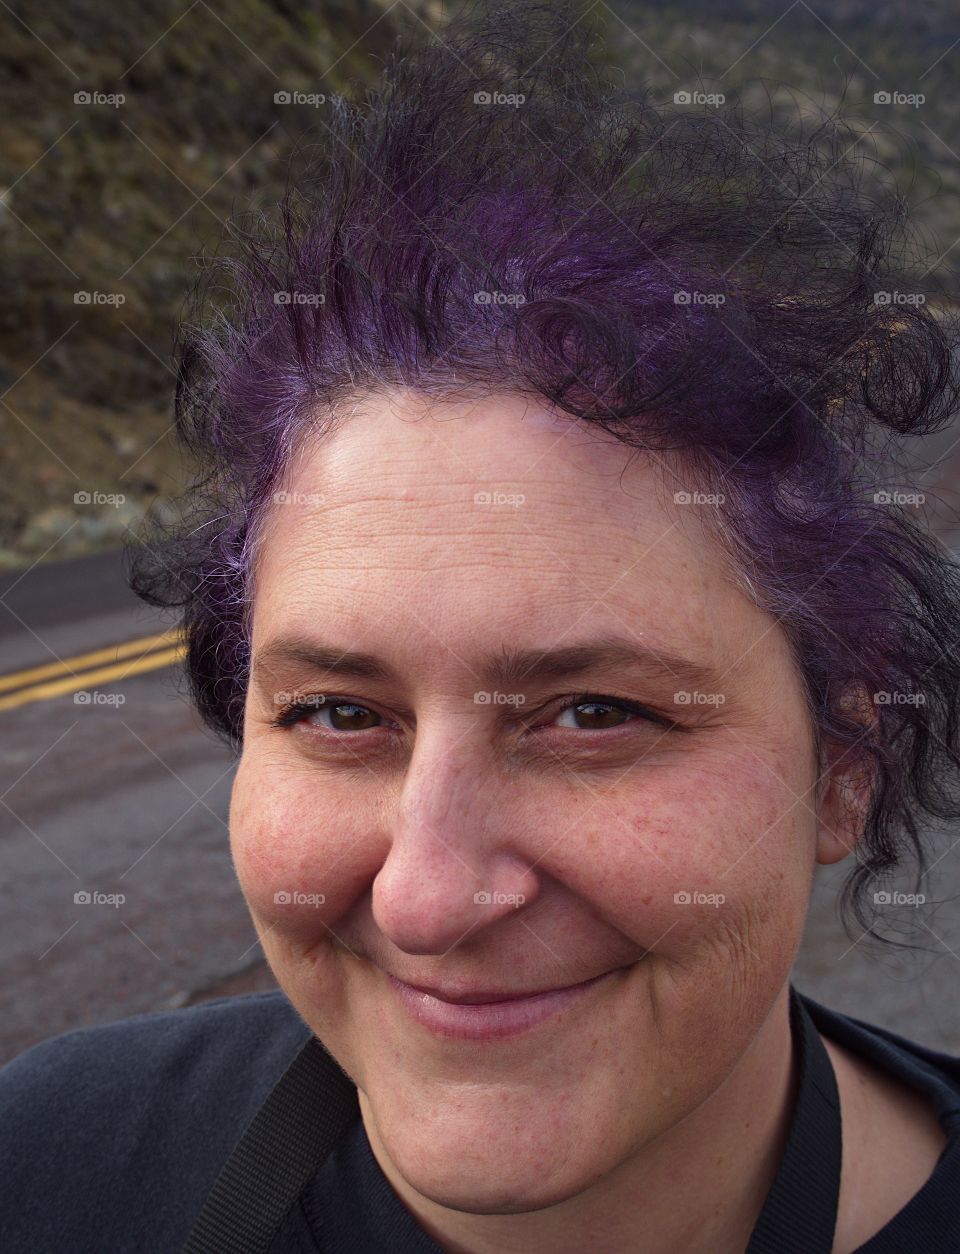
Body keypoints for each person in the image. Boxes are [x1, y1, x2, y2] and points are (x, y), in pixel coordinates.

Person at [4, 2, 960, 1251]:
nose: (425, 900)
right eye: (339, 713)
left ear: (846, 763)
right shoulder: (48, 1174)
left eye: (595, 714)